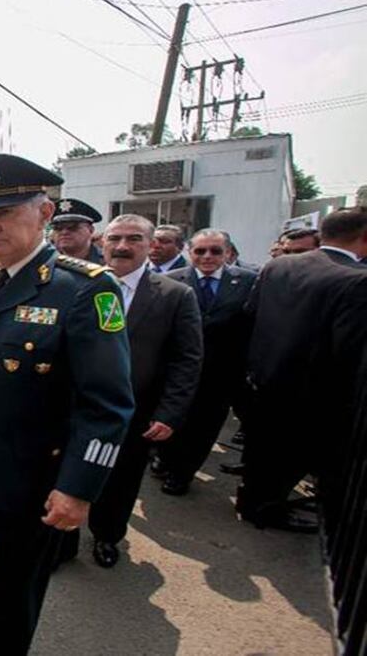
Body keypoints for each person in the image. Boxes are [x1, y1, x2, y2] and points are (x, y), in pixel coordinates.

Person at [0, 154, 133, 653]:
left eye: (5, 213)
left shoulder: (84, 289)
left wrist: (79, 488)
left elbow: (107, 403)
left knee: (19, 588)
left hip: (31, 469)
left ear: (44, 213)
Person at [58, 215, 203, 568]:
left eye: (134, 239)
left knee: (119, 480)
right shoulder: (71, 285)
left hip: (134, 412)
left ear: (150, 245)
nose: (122, 246)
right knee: (66, 475)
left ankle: (107, 536)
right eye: (115, 238)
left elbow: (187, 359)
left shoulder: (175, 295)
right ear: (102, 241)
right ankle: (62, 541)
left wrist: (169, 413)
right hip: (71, 408)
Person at [237, 207, 367, 532]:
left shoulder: (279, 266)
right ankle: (265, 510)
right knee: (287, 461)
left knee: (260, 451)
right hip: (311, 395)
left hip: (262, 381)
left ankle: (251, 500)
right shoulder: (356, 280)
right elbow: (348, 351)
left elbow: (250, 316)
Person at [157, 229, 256, 495]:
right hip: (177, 369)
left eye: (215, 251)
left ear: (228, 253)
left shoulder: (248, 282)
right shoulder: (169, 281)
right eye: (200, 251)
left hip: (222, 372)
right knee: (172, 419)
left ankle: (182, 473)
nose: (207, 256)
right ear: (190, 253)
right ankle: (166, 459)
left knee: (204, 427)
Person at [50, 198, 104, 264]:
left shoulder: (108, 261)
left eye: (72, 227)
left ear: (90, 230)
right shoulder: (45, 262)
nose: (64, 232)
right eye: (58, 228)